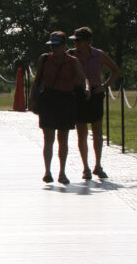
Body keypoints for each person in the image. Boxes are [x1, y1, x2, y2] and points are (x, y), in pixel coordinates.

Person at [30, 30, 89, 186]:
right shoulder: (44, 59)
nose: (53, 49)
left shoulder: (73, 61)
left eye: (56, 46)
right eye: (52, 46)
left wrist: (86, 89)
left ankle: (62, 172)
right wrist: (32, 99)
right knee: (48, 138)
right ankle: (47, 171)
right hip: (48, 99)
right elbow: (37, 81)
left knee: (63, 139)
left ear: (64, 46)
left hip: (65, 99)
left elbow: (83, 78)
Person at [68, 26, 121, 180]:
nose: (76, 43)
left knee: (97, 131)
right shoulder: (71, 55)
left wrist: (105, 86)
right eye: (75, 40)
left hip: (96, 95)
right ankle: (85, 167)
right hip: (79, 96)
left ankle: (98, 164)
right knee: (81, 133)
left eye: (79, 40)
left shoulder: (98, 55)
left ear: (88, 41)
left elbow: (115, 70)